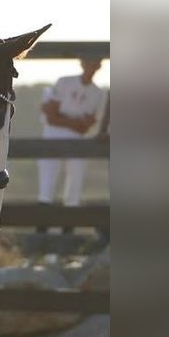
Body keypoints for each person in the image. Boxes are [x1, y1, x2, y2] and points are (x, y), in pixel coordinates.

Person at [36, 57, 107, 231]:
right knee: (48, 181)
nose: (92, 66)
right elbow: (50, 115)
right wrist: (74, 122)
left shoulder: (97, 93)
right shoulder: (64, 82)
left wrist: (65, 119)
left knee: (74, 182)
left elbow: (87, 125)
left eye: (95, 62)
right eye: (89, 62)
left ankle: (68, 231)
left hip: (77, 139)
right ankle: (41, 229)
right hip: (53, 135)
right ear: (82, 63)